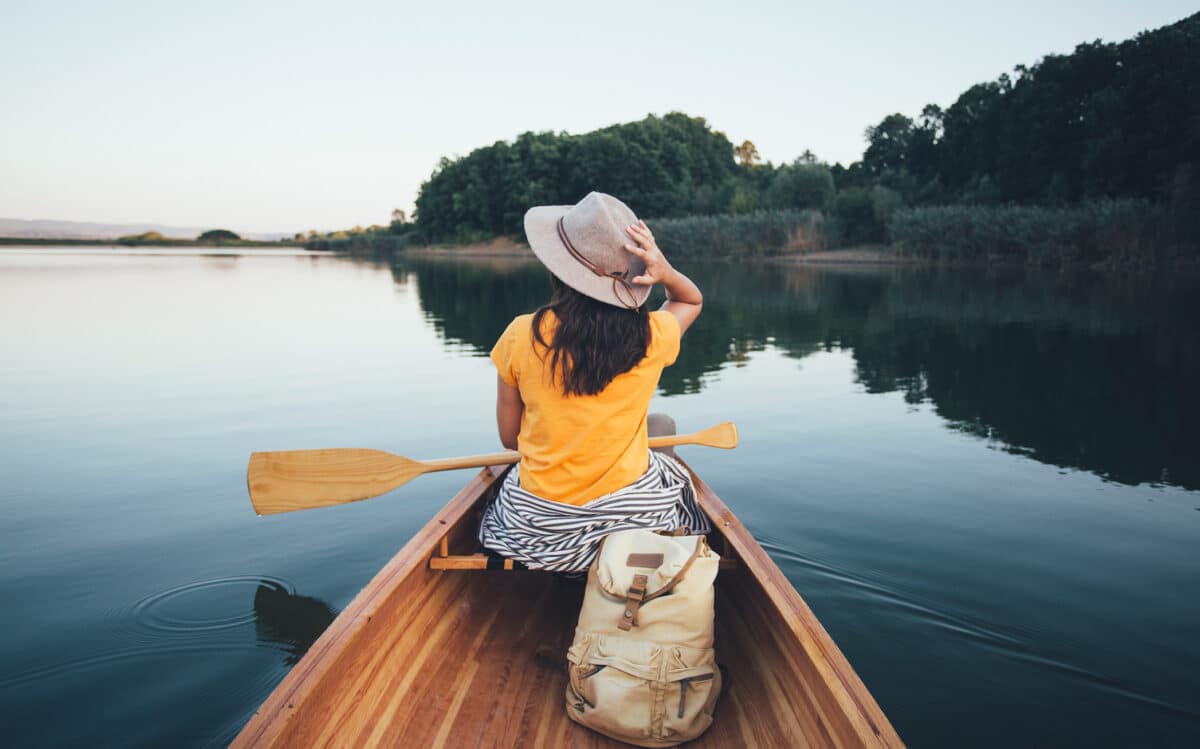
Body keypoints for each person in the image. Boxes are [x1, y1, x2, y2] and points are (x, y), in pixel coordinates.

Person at [478, 192, 708, 572]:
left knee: (658, 426)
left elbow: (510, 439)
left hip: (541, 527)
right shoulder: (654, 334)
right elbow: (691, 300)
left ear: (558, 269)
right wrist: (665, 271)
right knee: (663, 435)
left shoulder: (522, 334)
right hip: (629, 520)